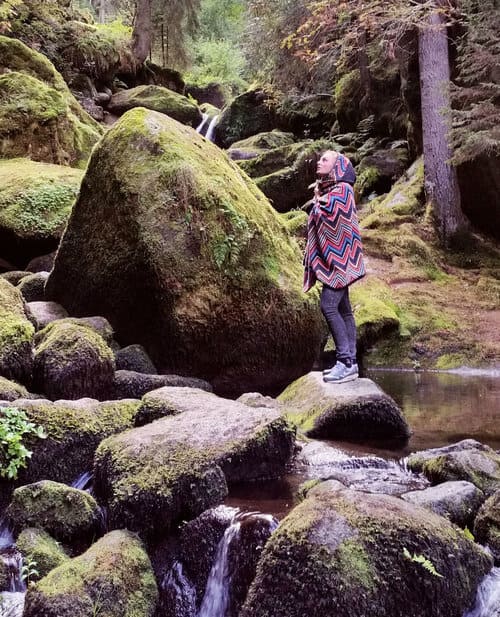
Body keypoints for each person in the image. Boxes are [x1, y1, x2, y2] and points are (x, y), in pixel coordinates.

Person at [303, 150, 366, 383]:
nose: (319, 162)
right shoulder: (330, 190)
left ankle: (345, 361)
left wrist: (318, 200)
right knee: (344, 310)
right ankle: (351, 363)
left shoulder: (342, 191)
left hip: (341, 261)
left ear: (337, 167)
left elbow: (330, 217)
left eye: (325, 160)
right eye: (320, 159)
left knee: (328, 306)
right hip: (337, 262)